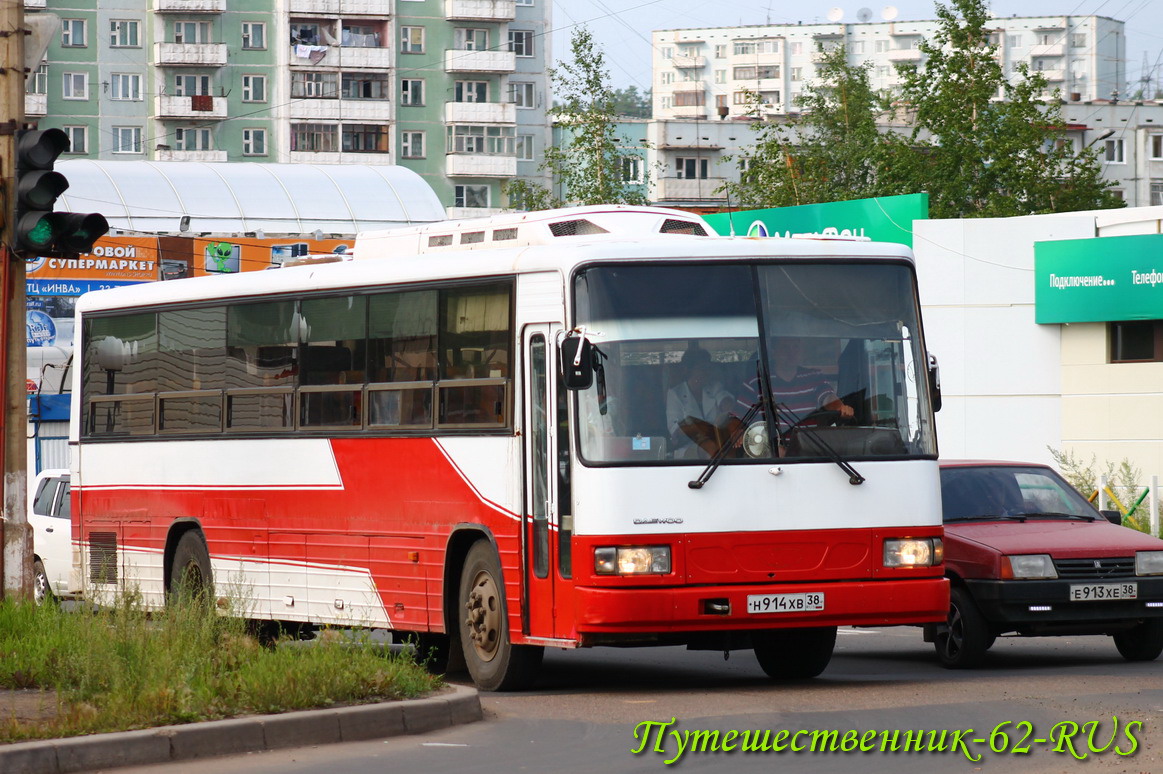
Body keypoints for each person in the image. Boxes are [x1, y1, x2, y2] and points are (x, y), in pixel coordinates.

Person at [767, 335, 854, 427]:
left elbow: (827, 396)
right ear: (773, 351)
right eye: (785, 347)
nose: (791, 352)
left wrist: (840, 408)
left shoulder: (813, 377)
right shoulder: (760, 380)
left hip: (808, 440)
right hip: (774, 440)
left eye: (795, 346)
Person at [666, 347, 738, 459]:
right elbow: (675, 429)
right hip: (688, 449)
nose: (706, 372)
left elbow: (725, 400)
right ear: (688, 370)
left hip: (719, 444)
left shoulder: (714, 386)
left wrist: (726, 406)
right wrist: (703, 429)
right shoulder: (675, 394)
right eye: (701, 368)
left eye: (708, 368)